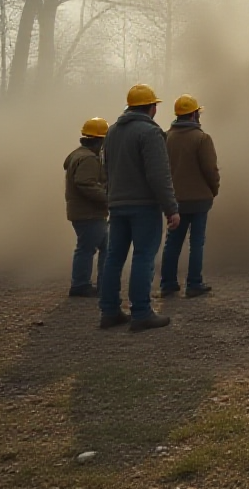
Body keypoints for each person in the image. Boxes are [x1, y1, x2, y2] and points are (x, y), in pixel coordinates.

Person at [99, 84, 179, 332]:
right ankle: (141, 313)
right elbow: (159, 175)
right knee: (143, 256)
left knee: (114, 257)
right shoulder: (149, 133)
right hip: (143, 205)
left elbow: (106, 169)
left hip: (117, 204)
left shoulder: (112, 132)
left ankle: (109, 311)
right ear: (151, 107)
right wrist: (171, 208)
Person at [161, 94, 220, 298]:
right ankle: (194, 283)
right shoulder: (202, 138)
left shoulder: (165, 137)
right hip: (199, 200)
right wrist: (214, 189)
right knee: (196, 242)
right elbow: (210, 169)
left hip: (174, 200)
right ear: (194, 115)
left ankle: (168, 283)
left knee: (172, 242)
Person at [64, 117, 110, 297]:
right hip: (89, 213)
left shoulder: (78, 154)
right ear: (99, 140)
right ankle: (81, 285)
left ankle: (98, 283)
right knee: (88, 248)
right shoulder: (89, 159)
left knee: (97, 247)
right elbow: (85, 184)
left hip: (83, 212)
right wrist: (107, 198)